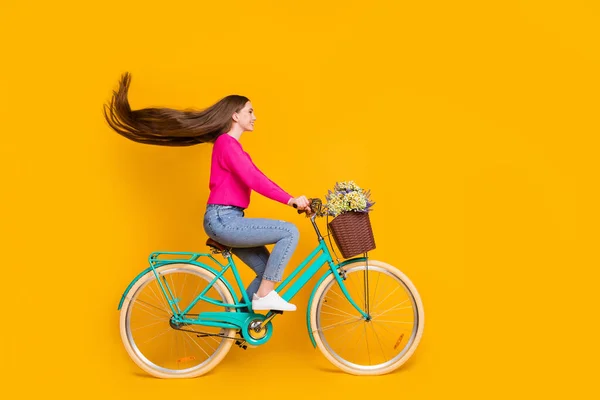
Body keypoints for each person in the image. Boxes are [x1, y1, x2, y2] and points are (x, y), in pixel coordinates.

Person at [104, 72, 311, 312]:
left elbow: (257, 176)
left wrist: (293, 199)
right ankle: (263, 297)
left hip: (229, 219)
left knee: (266, 271)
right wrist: (290, 200)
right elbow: (254, 179)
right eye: (250, 111)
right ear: (235, 115)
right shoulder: (226, 143)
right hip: (224, 219)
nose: (255, 117)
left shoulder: (233, 147)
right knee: (289, 231)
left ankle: (240, 323)